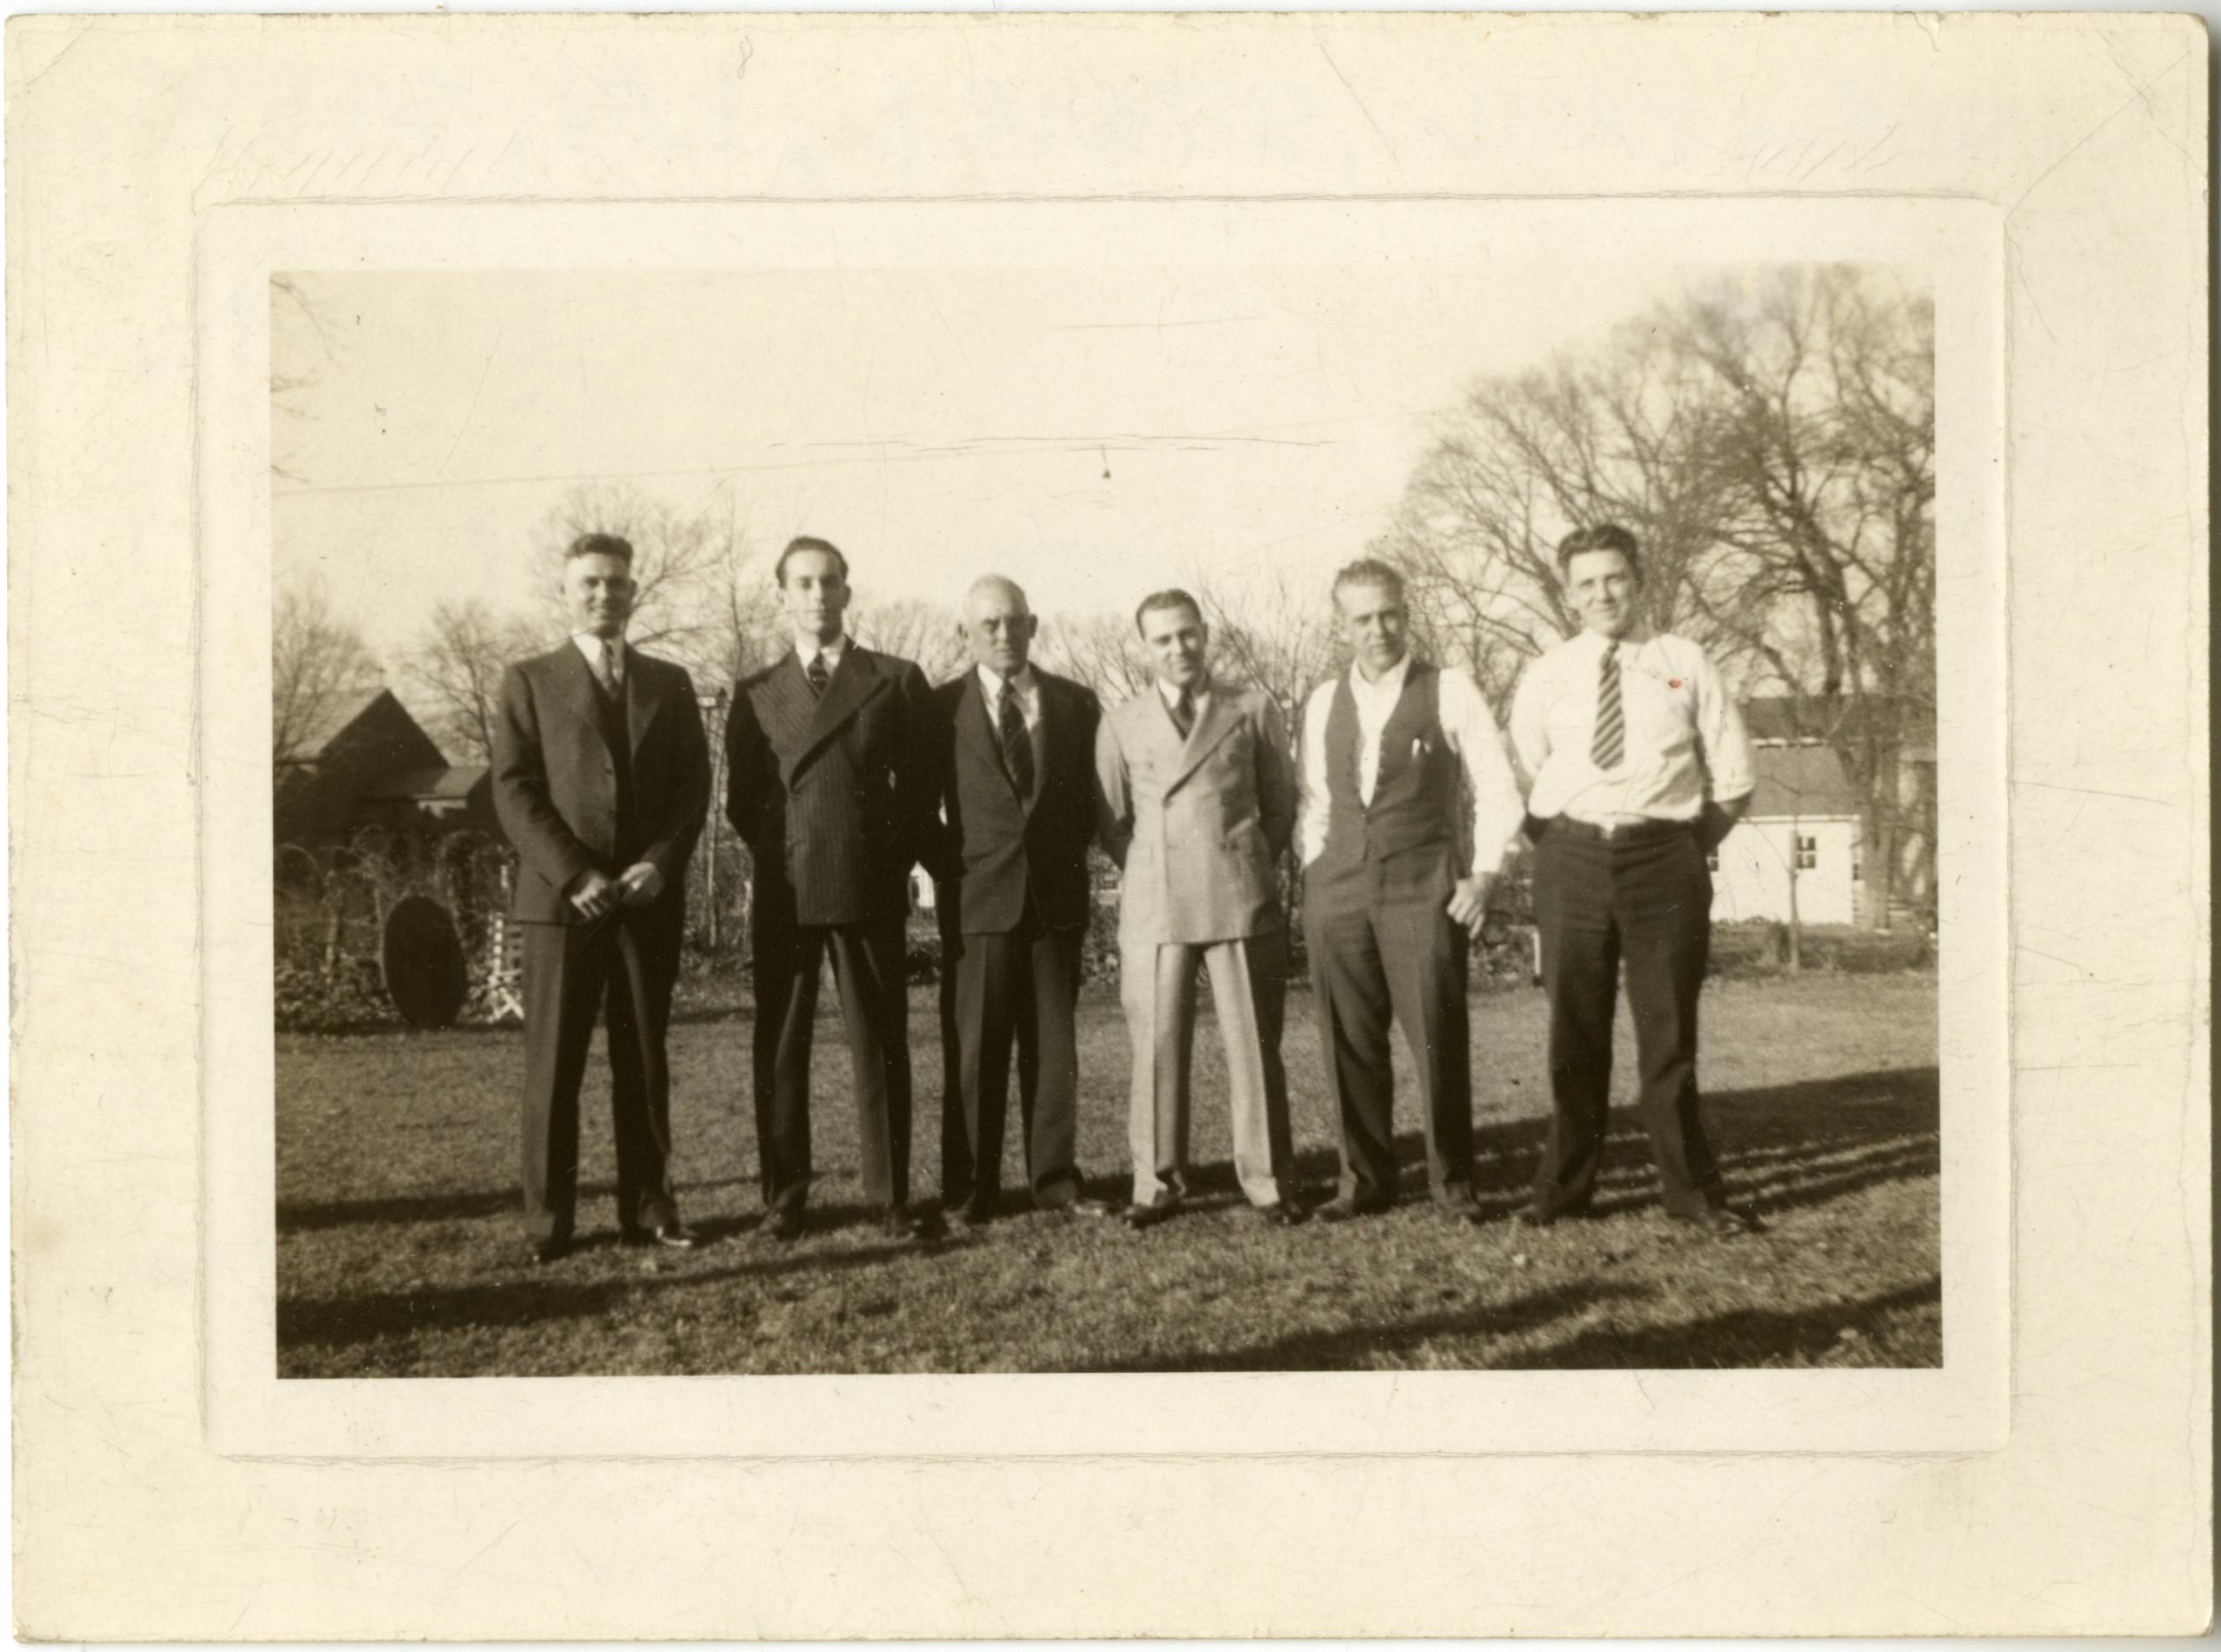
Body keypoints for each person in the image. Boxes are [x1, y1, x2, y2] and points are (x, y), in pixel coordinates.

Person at [1509, 523, 1757, 1237]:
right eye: (1586, 583)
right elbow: (1528, 772)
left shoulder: (1683, 662)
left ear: (1639, 580)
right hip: (1572, 863)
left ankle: (1692, 1196)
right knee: (1574, 1033)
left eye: (1615, 577)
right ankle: (1563, 1192)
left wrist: (1679, 849)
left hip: (1664, 864)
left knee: (1668, 1035)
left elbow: (1735, 777)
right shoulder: (1548, 673)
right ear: (1568, 595)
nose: (1603, 594)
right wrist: (1570, 842)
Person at [490, 532, 711, 1265]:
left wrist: (660, 863)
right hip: (563, 906)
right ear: (565, 591)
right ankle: (547, 1225)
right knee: (555, 1067)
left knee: (643, 1061)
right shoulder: (528, 680)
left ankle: (649, 1210)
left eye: (616, 582)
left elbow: (693, 787)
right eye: (589, 582)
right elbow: (514, 789)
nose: (603, 594)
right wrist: (574, 873)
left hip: (645, 903)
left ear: (633, 592)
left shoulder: (670, 683)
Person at [1296, 558, 1526, 1225]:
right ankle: (1364, 1181)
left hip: (1422, 887)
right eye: (1363, 619)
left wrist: (1484, 874)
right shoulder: (1322, 701)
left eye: (1390, 614)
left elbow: (1498, 788)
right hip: (1338, 888)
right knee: (1348, 1038)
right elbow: (1314, 800)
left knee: (1435, 1035)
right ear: (1342, 626)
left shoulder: (1448, 690)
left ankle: (1452, 1184)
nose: (1379, 630)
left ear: (1407, 613)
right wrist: (1316, 873)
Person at [724, 536, 938, 1242]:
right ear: (782, 594)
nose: (818, 595)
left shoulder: (894, 679)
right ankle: (784, 1197)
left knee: (880, 1042)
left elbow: (921, 790)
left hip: (867, 883)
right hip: (787, 887)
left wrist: (881, 854)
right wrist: (785, 853)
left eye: (830, 582)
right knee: (780, 1047)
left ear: (848, 591)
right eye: (804, 583)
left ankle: (890, 1196)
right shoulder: (755, 693)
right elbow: (743, 802)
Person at [1095, 590, 1304, 1229]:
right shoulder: (1121, 722)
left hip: (1237, 894)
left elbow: (1281, 803)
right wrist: (1152, 866)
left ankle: (1267, 1182)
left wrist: (1244, 860)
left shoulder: (1252, 708)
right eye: (1162, 639)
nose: (1178, 648)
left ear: (1205, 633)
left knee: (1253, 1045)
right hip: (1157, 905)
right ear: (1145, 647)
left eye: (1187, 634)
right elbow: (1112, 820)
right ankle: (1156, 1182)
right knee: (1157, 1046)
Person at [924, 576, 1116, 1226]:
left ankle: (1055, 1181)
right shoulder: (939, 707)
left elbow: (1092, 800)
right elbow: (918, 810)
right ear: (965, 633)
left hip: (1055, 900)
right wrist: (959, 868)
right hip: (976, 901)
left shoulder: (1075, 702)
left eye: (1014, 621)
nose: (1003, 634)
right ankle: (970, 1191)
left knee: (1054, 1050)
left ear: (1033, 625)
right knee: (975, 1053)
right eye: (988, 624)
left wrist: (1057, 855)